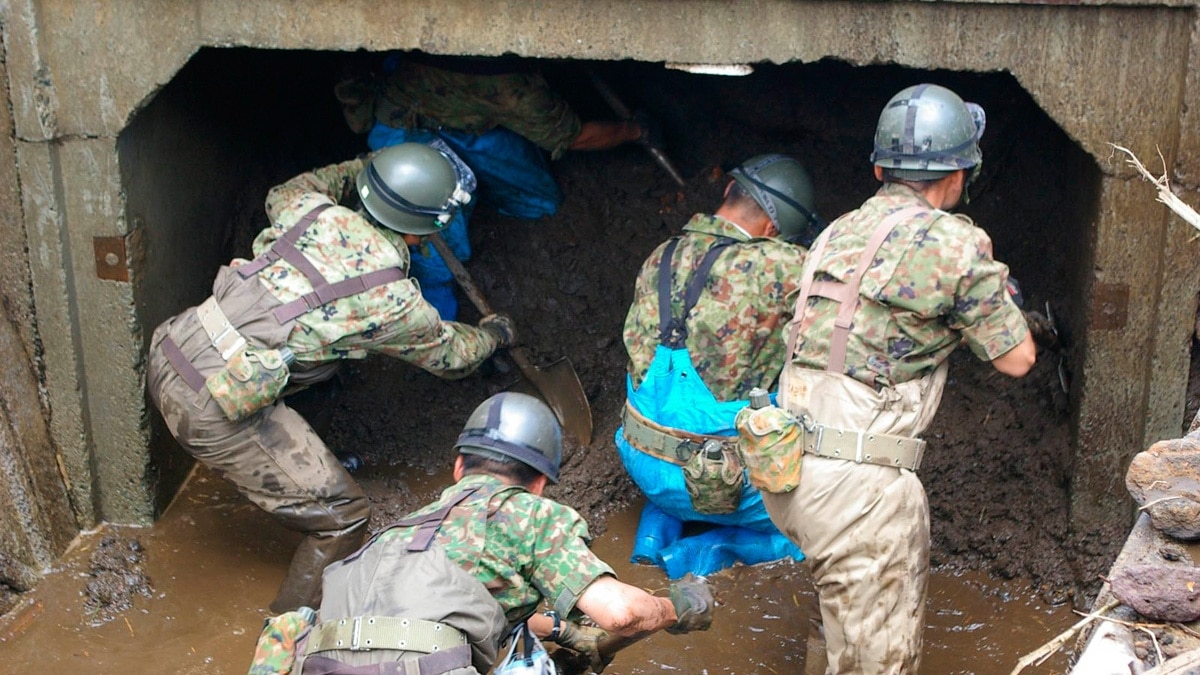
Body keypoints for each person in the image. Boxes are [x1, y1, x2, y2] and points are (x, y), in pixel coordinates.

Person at [146, 141, 519, 615]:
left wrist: (367, 168)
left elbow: (303, 183)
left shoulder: (306, 206)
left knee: (325, 358)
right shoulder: (394, 301)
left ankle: (296, 458)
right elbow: (452, 355)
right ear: (423, 232)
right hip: (210, 409)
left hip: (171, 347)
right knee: (342, 519)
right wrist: (495, 334)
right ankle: (286, 641)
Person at [756, 83, 1037, 674]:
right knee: (877, 663)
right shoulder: (955, 242)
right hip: (859, 487)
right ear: (960, 173)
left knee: (832, 629)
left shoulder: (837, 231)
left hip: (788, 468)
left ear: (882, 167)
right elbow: (1017, 359)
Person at [280, 392, 713, 674]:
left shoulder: (400, 532)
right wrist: (677, 607)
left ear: (457, 469)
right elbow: (619, 613)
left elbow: (432, 621)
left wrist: (560, 630)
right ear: (540, 484)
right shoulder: (530, 515)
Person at [615, 154, 822, 578]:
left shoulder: (662, 254)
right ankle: (712, 550)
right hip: (725, 485)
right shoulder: (782, 266)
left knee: (669, 424)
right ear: (772, 231)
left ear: (729, 191)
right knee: (824, 518)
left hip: (644, 466)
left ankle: (652, 539)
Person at [335, 50, 652, 320]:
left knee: (541, 201)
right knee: (431, 233)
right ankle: (438, 318)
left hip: (469, 116)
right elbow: (575, 136)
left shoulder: (514, 85)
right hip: (405, 123)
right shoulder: (514, 90)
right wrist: (636, 131)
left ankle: (480, 196)